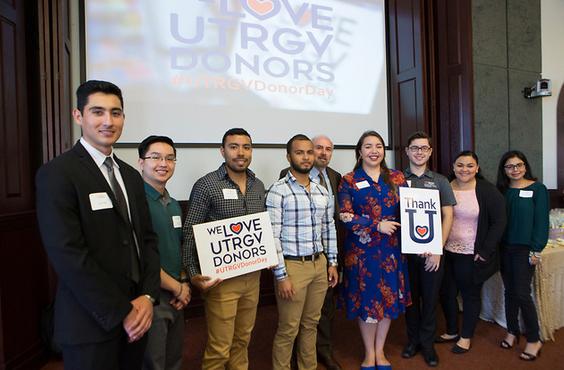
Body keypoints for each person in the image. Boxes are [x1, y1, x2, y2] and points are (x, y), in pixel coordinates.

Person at [35, 80, 160, 370]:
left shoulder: (130, 175)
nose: (108, 121)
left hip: (138, 317)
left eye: (116, 113)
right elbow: (67, 254)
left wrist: (147, 296)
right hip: (90, 324)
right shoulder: (57, 174)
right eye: (98, 112)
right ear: (78, 116)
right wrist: (120, 312)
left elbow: (147, 240)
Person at [183, 128, 266, 370]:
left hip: (253, 277)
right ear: (222, 151)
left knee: (242, 340)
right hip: (221, 280)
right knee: (220, 347)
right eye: (234, 147)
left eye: (246, 147)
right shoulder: (207, 185)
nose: (240, 153)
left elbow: (260, 228)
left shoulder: (258, 185)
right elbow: (191, 230)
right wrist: (192, 272)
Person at [338, 130, 411, 370]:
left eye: (378, 146)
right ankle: (369, 353)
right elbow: (345, 216)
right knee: (368, 301)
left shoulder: (398, 178)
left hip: (391, 250)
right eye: (368, 146)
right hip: (361, 253)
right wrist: (376, 224)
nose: (374, 151)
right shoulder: (349, 180)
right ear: (360, 152)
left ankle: (381, 351)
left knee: (388, 299)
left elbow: (410, 212)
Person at [267, 134, 339, 370]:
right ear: (289, 157)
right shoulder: (278, 191)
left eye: (310, 152)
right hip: (292, 267)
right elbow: (272, 236)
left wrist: (332, 263)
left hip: (319, 265)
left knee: (311, 324)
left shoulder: (321, 191)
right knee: (289, 328)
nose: (306, 157)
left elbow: (328, 227)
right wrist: (281, 276)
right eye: (300, 152)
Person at [437, 151, 506, 354]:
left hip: (471, 253)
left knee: (470, 295)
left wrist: (485, 251)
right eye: (460, 165)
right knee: (446, 293)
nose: (464, 169)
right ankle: (451, 330)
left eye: (469, 165)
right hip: (446, 251)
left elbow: (499, 222)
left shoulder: (488, 191)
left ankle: (466, 336)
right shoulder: (445, 186)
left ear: (477, 168)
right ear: (453, 167)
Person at [401, 132, 455, 367]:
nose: (419, 152)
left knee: (431, 300)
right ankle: (413, 341)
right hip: (405, 253)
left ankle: (428, 344)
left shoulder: (441, 181)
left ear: (430, 152)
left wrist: (437, 249)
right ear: (407, 151)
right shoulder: (397, 179)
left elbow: (448, 215)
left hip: (433, 253)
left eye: (424, 148)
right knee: (410, 300)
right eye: (415, 148)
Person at [139, 136, 190, 370]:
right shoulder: (136, 202)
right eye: (156, 157)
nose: (164, 163)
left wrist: (182, 283)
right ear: (141, 162)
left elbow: (177, 247)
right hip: (152, 296)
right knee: (153, 362)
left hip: (175, 295)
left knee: (174, 358)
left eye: (170, 158)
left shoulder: (173, 204)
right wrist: (176, 287)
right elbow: (142, 258)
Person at [496, 150, 548, 361]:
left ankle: (534, 339)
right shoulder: (502, 191)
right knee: (509, 291)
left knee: (522, 293)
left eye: (518, 165)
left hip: (525, 249)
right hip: (504, 248)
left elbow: (542, 223)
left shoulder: (538, 189)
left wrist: (536, 249)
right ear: (504, 170)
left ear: (525, 166)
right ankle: (512, 331)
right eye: (509, 166)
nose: (514, 169)